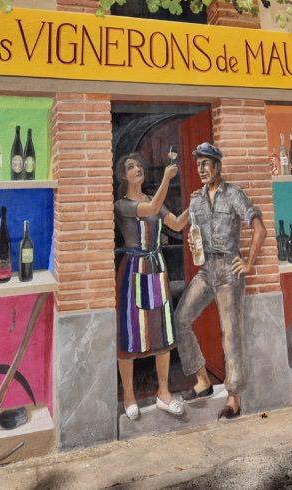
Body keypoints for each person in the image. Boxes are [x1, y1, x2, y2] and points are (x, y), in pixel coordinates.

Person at [172, 142, 266, 420]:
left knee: (231, 333)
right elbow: (180, 226)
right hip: (206, 269)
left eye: (206, 163)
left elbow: (259, 229)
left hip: (229, 270)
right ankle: (202, 380)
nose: (201, 169)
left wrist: (248, 262)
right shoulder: (195, 200)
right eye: (198, 164)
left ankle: (234, 398)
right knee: (181, 318)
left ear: (217, 166)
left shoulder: (234, 194)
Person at [114, 152, 189, 421]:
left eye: (139, 165)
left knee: (161, 331)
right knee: (129, 334)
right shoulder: (122, 205)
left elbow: (177, 225)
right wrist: (167, 179)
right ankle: (129, 396)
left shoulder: (152, 199)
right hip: (133, 271)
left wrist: (197, 203)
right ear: (123, 176)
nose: (137, 169)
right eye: (130, 167)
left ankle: (164, 393)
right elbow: (151, 209)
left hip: (156, 269)